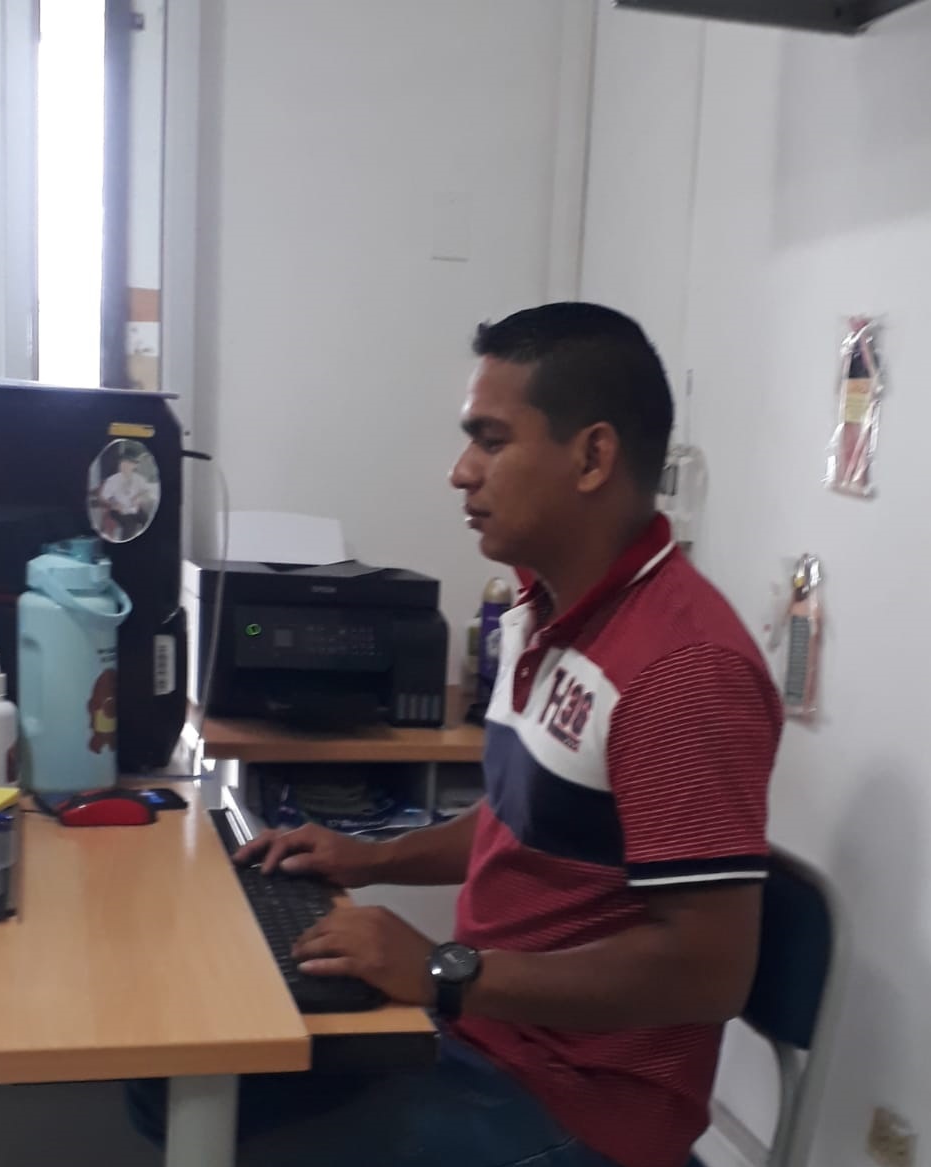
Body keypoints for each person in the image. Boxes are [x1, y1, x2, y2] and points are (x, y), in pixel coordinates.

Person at [128, 303, 782, 1167]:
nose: (459, 471)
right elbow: (521, 818)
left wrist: (444, 967)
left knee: (215, 1113)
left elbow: (709, 969)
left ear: (592, 456)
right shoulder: (544, 610)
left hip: (579, 1106)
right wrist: (370, 857)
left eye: (491, 441)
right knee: (166, 1076)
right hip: (481, 1034)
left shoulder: (684, 668)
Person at [98, 451, 155, 540]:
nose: (124, 466)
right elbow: (103, 496)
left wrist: (139, 496)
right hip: (118, 511)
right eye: (122, 463)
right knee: (130, 524)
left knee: (148, 520)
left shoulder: (139, 479)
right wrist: (114, 503)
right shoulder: (112, 480)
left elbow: (147, 492)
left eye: (128, 463)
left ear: (134, 465)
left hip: (135, 509)